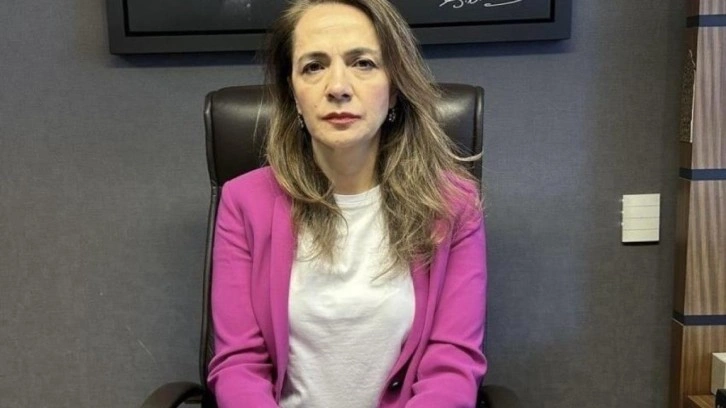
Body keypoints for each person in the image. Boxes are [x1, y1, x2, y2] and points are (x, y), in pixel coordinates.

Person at [207, 0, 487, 407]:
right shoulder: (244, 202)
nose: (337, 87)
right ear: (293, 93)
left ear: (395, 88)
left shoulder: (452, 205)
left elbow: (452, 365)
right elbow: (240, 364)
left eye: (363, 63)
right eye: (313, 66)